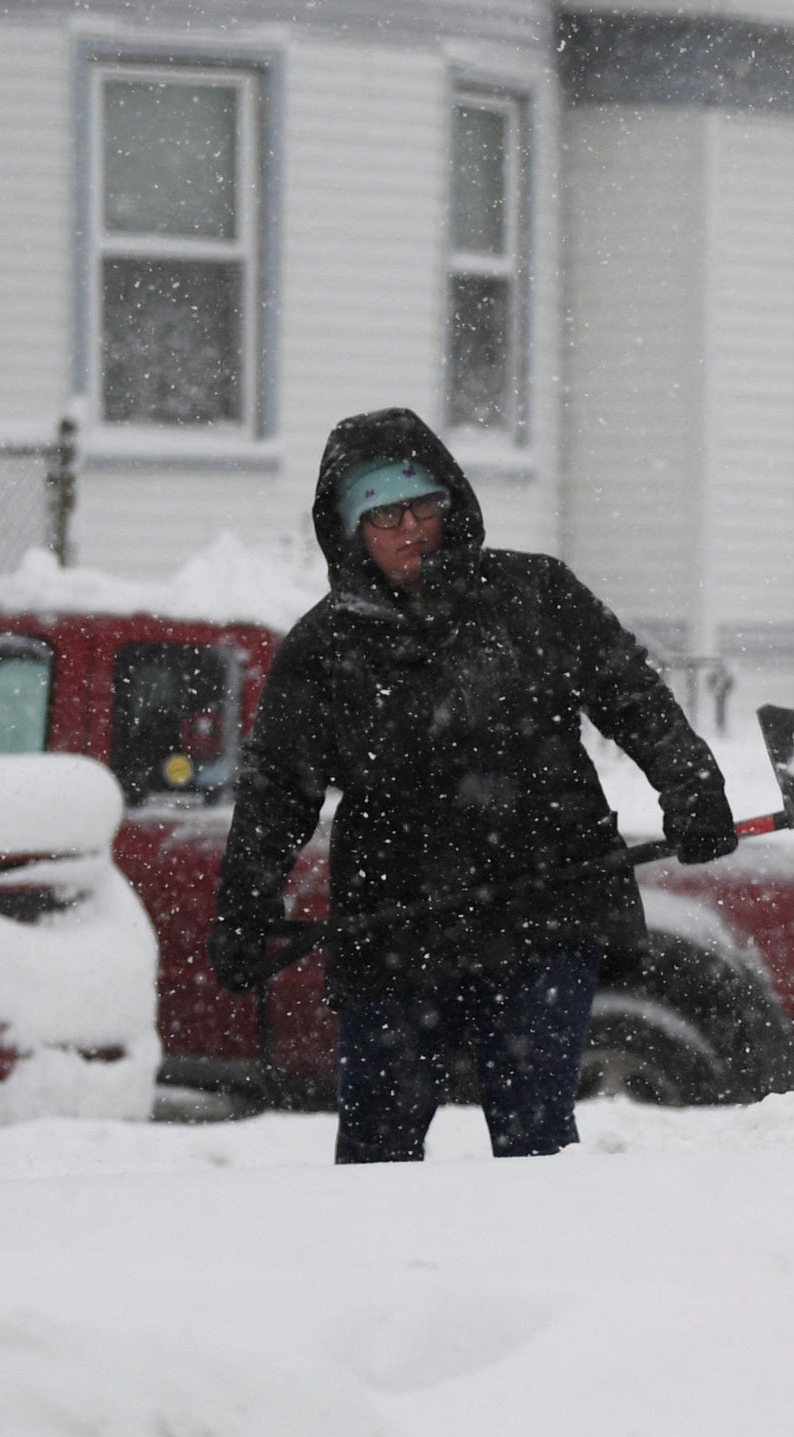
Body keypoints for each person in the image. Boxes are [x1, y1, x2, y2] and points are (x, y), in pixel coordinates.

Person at [207, 408, 738, 1162]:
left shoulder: (534, 595)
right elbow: (276, 793)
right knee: (377, 1151)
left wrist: (691, 787)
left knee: (535, 1141)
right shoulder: (324, 650)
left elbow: (631, 693)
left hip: (545, 907)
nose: (414, 527)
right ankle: (390, 1277)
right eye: (386, 514)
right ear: (350, 529)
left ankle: (532, 1274)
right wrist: (245, 906)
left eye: (427, 504)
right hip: (395, 923)